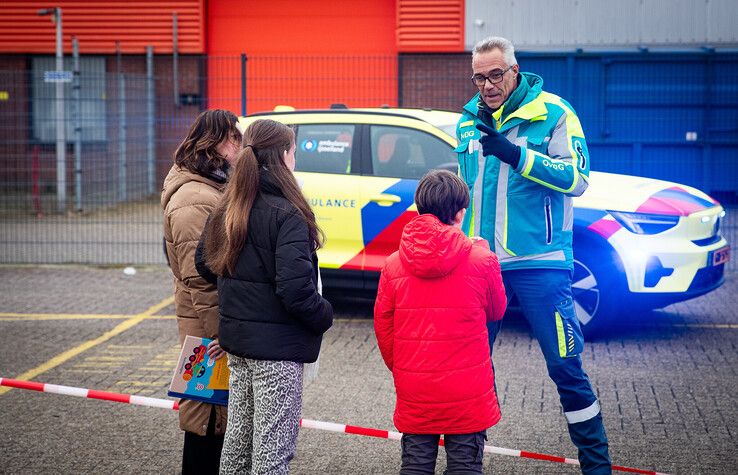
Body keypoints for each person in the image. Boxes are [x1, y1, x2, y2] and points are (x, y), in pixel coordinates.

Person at [455, 36, 612, 474]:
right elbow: (466, 190)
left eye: (495, 74)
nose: (487, 85)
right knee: (469, 368)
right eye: (479, 77)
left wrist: (517, 155)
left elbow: (577, 178)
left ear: (515, 71)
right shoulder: (467, 121)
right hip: (481, 265)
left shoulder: (555, 113)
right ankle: (467, 462)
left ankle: (596, 466)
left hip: (541, 264)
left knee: (565, 366)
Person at [199, 118, 333, 474]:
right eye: (293, 152)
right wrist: (325, 315)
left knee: (238, 447)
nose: (295, 161)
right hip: (276, 353)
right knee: (271, 454)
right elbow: (296, 291)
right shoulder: (287, 212)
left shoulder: (228, 205)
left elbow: (204, 264)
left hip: (239, 348)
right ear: (282, 156)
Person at [374, 169, 507, 474]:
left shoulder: (393, 264)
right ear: (461, 213)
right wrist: (484, 251)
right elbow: (497, 310)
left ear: (419, 208)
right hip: (467, 390)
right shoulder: (482, 260)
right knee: (465, 466)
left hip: (416, 385)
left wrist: (404, 366)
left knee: (416, 464)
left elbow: (383, 326)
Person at [161, 109, 242, 474]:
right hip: (206, 332)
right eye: (233, 138)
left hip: (209, 326)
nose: (239, 145)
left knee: (216, 422)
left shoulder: (209, 186)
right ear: (215, 144)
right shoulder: (194, 198)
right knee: (205, 423)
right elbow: (200, 280)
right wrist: (221, 333)